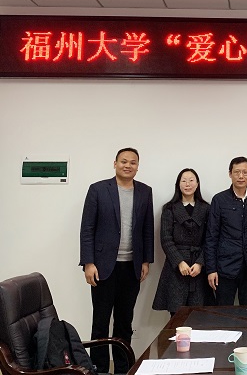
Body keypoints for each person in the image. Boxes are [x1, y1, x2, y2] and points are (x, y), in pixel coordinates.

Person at [79, 147, 154, 374]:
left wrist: (146, 261)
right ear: (115, 163)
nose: (128, 165)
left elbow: (147, 229)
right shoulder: (98, 189)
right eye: (123, 161)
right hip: (103, 267)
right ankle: (100, 369)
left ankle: (123, 369)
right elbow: (87, 228)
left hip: (132, 266)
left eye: (133, 162)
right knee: (100, 322)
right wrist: (88, 262)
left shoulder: (145, 191)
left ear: (138, 166)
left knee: (124, 322)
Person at [152, 168, 214, 317]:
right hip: (175, 269)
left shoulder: (206, 208)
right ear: (178, 184)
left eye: (191, 180)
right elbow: (166, 239)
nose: (188, 184)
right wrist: (179, 262)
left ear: (197, 184)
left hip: (198, 269)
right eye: (184, 181)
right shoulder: (169, 209)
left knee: (199, 316)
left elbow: (210, 239)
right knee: (176, 316)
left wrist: (200, 263)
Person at [204, 156, 247, 306]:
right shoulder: (219, 200)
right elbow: (211, 237)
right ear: (230, 174)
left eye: (245, 172)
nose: (241, 176)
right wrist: (211, 269)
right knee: (223, 313)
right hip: (225, 267)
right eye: (237, 172)